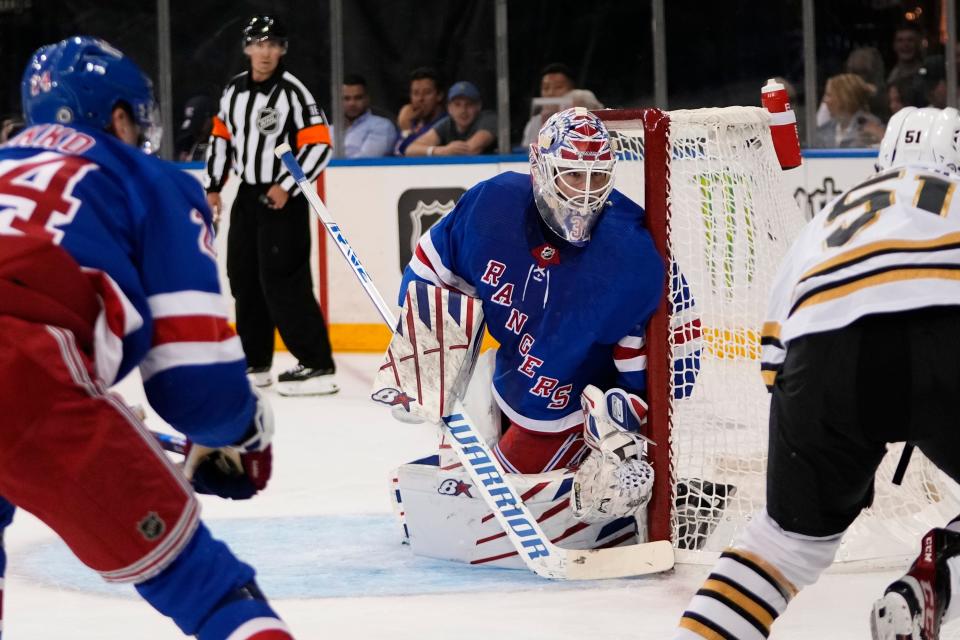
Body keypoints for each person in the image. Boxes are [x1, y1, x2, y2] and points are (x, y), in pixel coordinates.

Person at [2, 35, 294, 639]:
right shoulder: (142, 176)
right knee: (207, 590)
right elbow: (196, 392)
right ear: (117, 116)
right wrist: (245, 434)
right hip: (22, 371)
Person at [674, 106, 960, 640]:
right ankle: (935, 581)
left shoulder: (829, 219)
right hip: (949, 328)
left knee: (784, 546)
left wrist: (818, 444)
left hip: (826, 358)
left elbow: (774, 356)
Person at [206, 14, 338, 396]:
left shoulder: (294, 93)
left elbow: (318, 144)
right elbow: (221, 139)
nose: (266, 52)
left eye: (273, 45)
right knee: (243, 277)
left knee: (284, 280)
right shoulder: (233, 91)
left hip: (283, 199)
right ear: (247, 48)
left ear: (282, 50)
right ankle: (255, 362)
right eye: (259, 44)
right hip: (247, 195)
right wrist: (213, 186)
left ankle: (317, 364)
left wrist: (286, 185)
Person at [404, 80, 496, 156]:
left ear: (478, 106)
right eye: (457, 105)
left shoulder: (488, 118)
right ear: (449, 108)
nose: (463, 110)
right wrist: (440, 150)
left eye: (469, 104)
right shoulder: (448, 123)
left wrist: (446, 151)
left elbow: (470, 150)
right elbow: (410, 149)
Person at [813, 73, 884, 148]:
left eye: (829, 95)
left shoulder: (873, 129)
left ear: (844, 98)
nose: (825, 100)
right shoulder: (824, 130)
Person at [520, 63, 577, 147]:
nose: (550, 93)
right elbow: (533, 150)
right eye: (545, 88)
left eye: (558, 87)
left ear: (572, 90)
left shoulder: (581, 120)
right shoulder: (535, 122)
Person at [341, 73, 397, 158]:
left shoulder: (381, 126)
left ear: (367, 98)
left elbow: (365, 162)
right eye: (346, 98)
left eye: (358, 98)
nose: (352, 103)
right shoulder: (330, 130)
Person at [394, 66, 446, 156]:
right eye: (415, 93)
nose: (420, 99)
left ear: (439, 95)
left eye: (427, 92)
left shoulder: (446, 123)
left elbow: (408, 155)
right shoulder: (411, 121)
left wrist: (406, 130)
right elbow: (396, 154)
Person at [174, 94, 214, 161]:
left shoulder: (221, 145)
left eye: (198, 129)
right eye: (192, 129)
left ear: (209, 120)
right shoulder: (190, 144)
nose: (194, 133)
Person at [887, 21, 926, 85]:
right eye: (900, 40)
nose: (905, 45)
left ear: (918, 44)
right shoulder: (888, 77)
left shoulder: (926, 75)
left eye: (910, 40)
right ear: (894, 45)